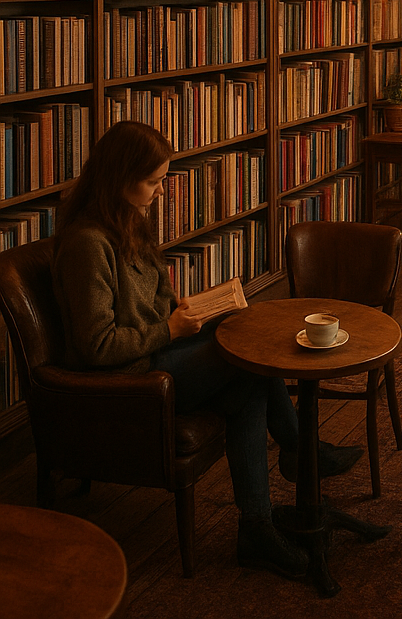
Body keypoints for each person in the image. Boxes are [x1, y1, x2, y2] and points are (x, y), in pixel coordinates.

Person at [52, 121, 363, 577]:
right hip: (132, 377)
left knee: (244, 341)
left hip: (155, 351)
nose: (159, 192)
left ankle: (257, 525)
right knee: (247, 362)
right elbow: (98, 346)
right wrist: (171, 330)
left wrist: (177, 308)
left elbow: (148, 301)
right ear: (119, 178)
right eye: (153, 181)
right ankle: (298, 451)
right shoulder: (87, 244)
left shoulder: (126, 221)